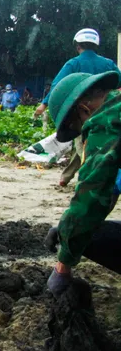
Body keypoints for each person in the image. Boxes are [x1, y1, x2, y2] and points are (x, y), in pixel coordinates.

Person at [41, 71, 121, 294]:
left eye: (81, 130)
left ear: (83, 109)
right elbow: (108, 191)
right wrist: (69, 229)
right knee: (87, 232)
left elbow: (91, 198)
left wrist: (62, 267)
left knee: (90, 237)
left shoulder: (106, 119)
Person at [33, 28, 121, 188]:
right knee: (88, 145)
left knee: (84, 146)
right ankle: (66, 177)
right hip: (109, 112)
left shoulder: (74, 64)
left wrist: (44, 104)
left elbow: (58, 87)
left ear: (77, 45)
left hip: (83, 114)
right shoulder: (108, 63)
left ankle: (86, 181)